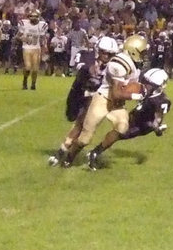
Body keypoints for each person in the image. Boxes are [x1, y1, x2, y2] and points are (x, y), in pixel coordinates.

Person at [60, 34, 149, 167]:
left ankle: (95, 152)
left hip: (117, 104)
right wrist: (136, 96)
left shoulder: (135, 65)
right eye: (142, 52)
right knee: (85, 139)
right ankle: (69, 158)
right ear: (133, 50)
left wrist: (142, 90)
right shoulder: (119, 64)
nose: (144, 55)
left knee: (122, 127)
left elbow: (131, 87)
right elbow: (116, 94)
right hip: (103, 99)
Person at [48, 36, 120, 166]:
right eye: (104, 52)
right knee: (73, 118)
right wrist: (89, 68)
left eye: (110, 54)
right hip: (79, 93)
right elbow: (80, 67)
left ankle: (62, 153)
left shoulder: (113, 66)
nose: (107, 56)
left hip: (95, 97)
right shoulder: (87, 57)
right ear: (98, 50)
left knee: (81, 124)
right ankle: (65, 151)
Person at [86, 68, 172, 171]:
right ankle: (95, 152)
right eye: (146, 82)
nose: (145, 85)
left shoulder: (161, 101)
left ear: (158, 87)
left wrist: (156, 128)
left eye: (150, 84)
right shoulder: (144, 90)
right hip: (135, 115)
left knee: (119, 134)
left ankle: (94, 153)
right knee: (118, 131)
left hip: (143, 125)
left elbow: (158, 119)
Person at [17, 9, 48, 90]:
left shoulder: (42, 25)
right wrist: (22, 38)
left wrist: (45, 47)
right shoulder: (24, 24)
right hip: (26, 48)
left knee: (35, 69)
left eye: (35, 17)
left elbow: (43, 38)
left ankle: (33, 84)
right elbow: (17, 36)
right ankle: (25, 82)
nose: (33, 18)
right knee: (27, 67)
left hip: (36, 48)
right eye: (32, 16)